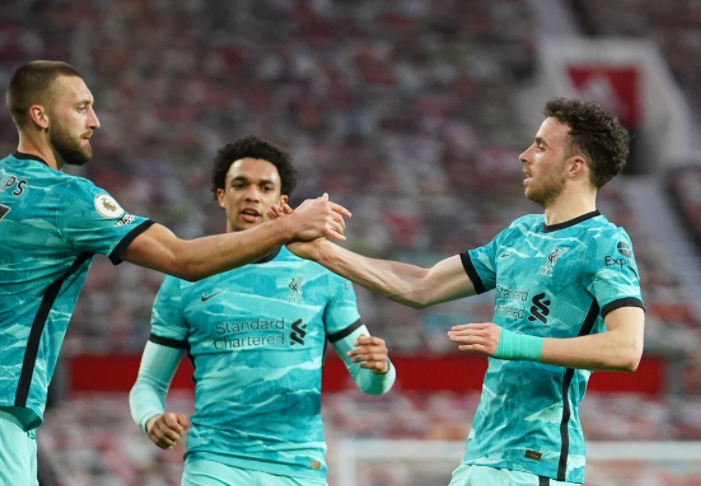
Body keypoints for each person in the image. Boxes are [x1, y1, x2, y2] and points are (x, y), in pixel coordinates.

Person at [0, 61, 350, 486]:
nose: (94, 121)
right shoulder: (64, 197)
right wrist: (290, 226)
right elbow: (183, 259)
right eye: (81, 107)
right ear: (41, 115)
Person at [272, 98, 644, 486]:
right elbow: (422, 284)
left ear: (575, 166)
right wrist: (321, 251)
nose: (524, 155)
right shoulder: (519, 234)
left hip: (537, 462)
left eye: (540, 146)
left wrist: (514, 344)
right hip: (484, 456)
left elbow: (626, 348)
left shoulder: (603, 242)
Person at [129, 136, 396, 486]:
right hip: (214, 465)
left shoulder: (321, 272)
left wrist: (380, 368)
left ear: (281, 202)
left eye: (265, 187)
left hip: (299, 468)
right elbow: (148, 383)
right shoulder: (184, 278)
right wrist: (151, 418)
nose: (252, 195)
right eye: (240, 184)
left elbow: (371, 383)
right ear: (222, 196)